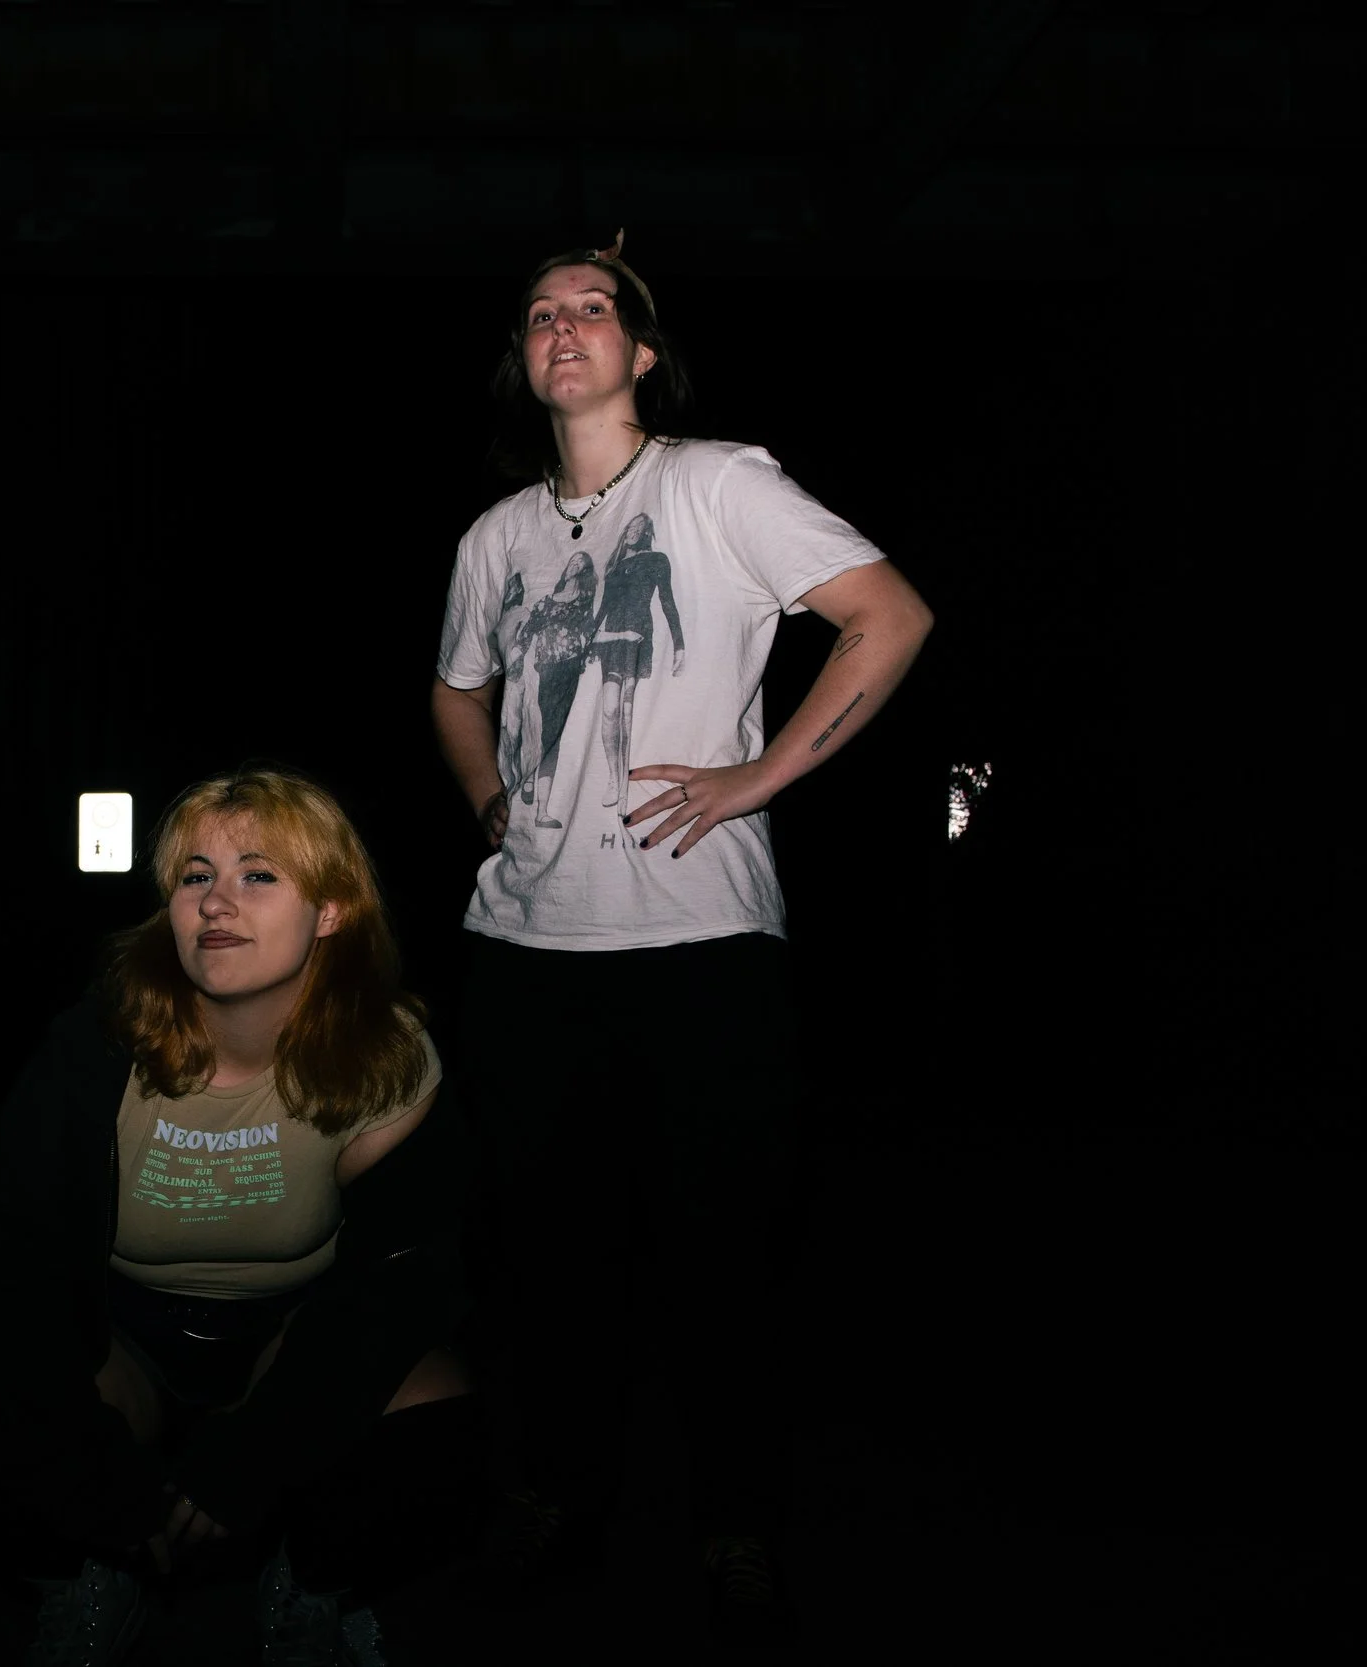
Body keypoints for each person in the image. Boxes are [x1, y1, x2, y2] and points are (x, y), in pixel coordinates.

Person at [430, 236, 933, 1629]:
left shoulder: (719, 484)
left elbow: (888, 614)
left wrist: (755, 779)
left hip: (704, 947)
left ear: (641, 352)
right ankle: (561, 1497)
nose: (565, 326)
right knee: (548, 1258)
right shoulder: (497, 538)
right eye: (540, 313)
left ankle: (737, 1524)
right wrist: (487, 797)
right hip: (527, 950)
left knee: (724, 1260)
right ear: (525, 360)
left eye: (595, 308)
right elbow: (454, 690)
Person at [0, 768, 477, 1666]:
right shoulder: (98, 1044)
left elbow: (403, 1285)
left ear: (332, 911)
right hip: (123, 1337)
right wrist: (102, 1498)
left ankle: (309, 1584)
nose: (216, 902)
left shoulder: (381, 1055)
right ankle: (90, 1578)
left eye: (258, 874)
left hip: (288, 1329)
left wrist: (261, 1453)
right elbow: (2, 1274)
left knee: (442, 1432)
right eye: (196, 875)